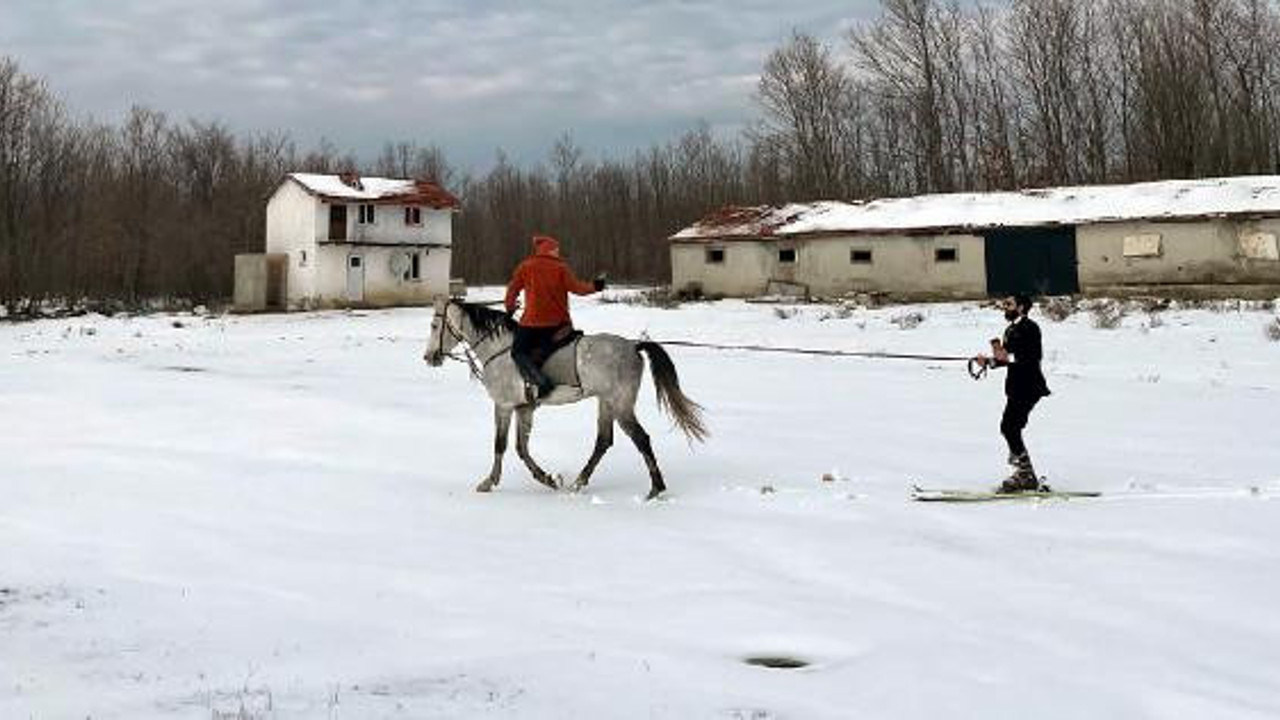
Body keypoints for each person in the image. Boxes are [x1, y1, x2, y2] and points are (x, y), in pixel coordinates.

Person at [504, 234, 605, 402]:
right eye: (556, 249)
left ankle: (541, 382)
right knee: (554, 344)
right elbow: (578, 288)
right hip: (558, 323)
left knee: (518, 352)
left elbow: (513, 288)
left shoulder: (525, 266)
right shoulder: (561, 267)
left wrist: (510, 307)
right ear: (549, 249)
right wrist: (595, 286)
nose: (558, 252)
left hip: (531, 323)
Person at [974, 294, 1051, 492]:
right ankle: (1024, 472)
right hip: (1016, 387)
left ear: (1022, 307)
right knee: (1009, 427)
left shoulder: (1030, 328)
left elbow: (1031, 356)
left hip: (1030, 385)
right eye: (1004, 304)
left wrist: (1004, 357)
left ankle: (1025, 474)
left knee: (1009, 427)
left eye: (1009, 304)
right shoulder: (1010, 329)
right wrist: (989, 362)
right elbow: (1004, 358)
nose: (1004, 307)